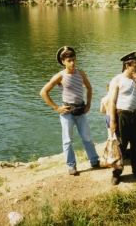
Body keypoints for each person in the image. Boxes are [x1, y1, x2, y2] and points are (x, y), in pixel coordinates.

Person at [40, 46, 99, 175]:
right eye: (69, 61)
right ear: (63, 62)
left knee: (87, 137)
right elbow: (43, 92)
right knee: (67, 140)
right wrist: (56, 107)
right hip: (67, 112)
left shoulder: (80, 73)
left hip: (81, 110)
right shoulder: (60, 76)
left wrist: (88, 104)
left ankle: (94, 161)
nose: (72, 63)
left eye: (74, 59)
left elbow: (89, 87)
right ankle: (71, 165)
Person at [108, 51, 136, 185]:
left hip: (135, 114)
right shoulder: (117, 80)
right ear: (127, 66)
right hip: (122, 115)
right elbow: (112, 102)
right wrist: (113, 121)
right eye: (135, 66)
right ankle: (116, 173)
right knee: (121, 145)